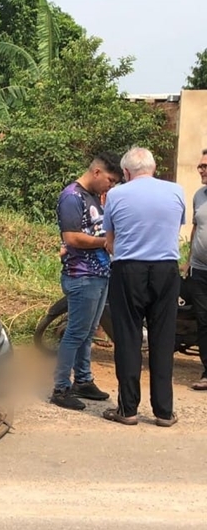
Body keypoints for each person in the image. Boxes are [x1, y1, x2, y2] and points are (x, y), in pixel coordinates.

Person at [101, 147, 185, 427]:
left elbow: (109, 239)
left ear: (125, 172)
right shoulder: (176, 191)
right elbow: (174, 227)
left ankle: (128, 410)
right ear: (153, 167)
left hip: (128, 270)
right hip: (166, 270)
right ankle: (163, 411)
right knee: (163, 339)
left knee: (128, 338)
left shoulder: (115, 194)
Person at [50, 152, 123, 410]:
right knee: (75, 333)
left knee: (88, 332)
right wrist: (106, 243)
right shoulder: (72, 196)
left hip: (99, 273)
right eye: (110, 180)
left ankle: (83, 380)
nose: (111, 186)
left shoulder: (92, 196)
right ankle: (60, 388)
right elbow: (71, 238)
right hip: (82, 275)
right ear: (97, 173)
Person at [181, 148, 207, 391]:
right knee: (203, 320)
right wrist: (189, 259)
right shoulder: (199, 195)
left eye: (205, 166)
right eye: (200, 166)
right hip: (199, 270)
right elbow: (196, 228)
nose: (201, 170)